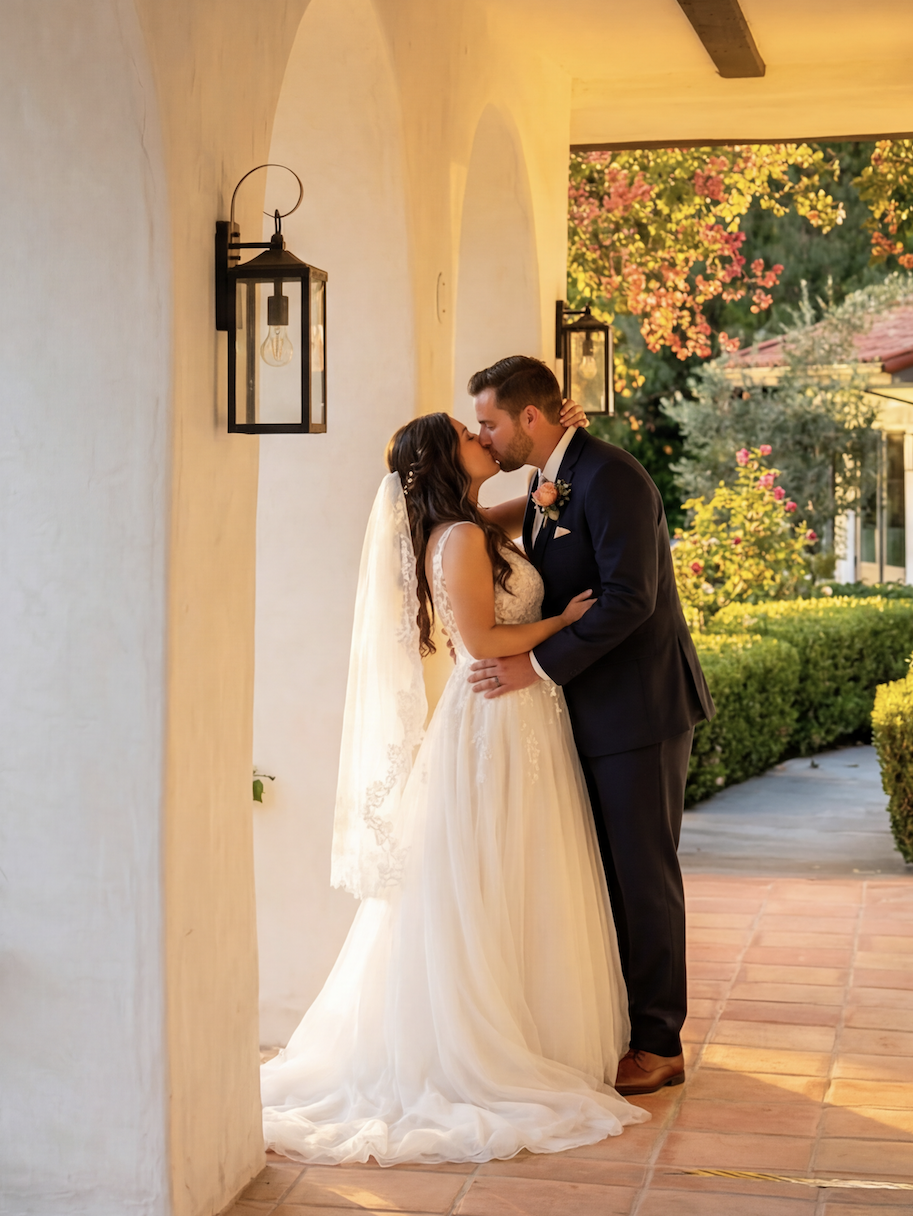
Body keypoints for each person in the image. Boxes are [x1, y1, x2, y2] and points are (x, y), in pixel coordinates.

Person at [258, 408, 645, 1166]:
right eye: (470, 434)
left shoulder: (475, 522)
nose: (482, 436)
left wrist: (556, 453)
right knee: (490, 868)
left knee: (514, 869)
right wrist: (561, 623)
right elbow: (484, 641)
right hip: (497, 713)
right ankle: (487, 1042)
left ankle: (531, 1026)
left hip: (523, 713)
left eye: (488, 424)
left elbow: (536, 498)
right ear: (445, 457)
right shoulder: (462, 538)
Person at [464, 355, 712, 1097]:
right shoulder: (552, 481)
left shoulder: (612, 478)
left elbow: (630, 598)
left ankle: (660, 1043)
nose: (486, 434)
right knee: (606, 877)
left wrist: (533, 668)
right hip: (592, 712)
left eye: (490, 422)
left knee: (644, 877)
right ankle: (623, 1028)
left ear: (530, 418)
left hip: (639, 710)